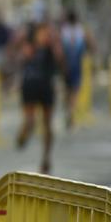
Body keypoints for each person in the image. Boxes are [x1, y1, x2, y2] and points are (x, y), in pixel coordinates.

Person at [14, 19, 64, 174]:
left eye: (47, 33)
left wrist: (54, 42)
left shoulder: (51, 47)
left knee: (47, 124)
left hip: (46, 87)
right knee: (30, 121)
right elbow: (17, 52)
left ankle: (46, 158)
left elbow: (60, 60)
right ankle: (24, 133)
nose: (44, 36)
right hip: (30, 85)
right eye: (42, 32)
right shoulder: (28, 45)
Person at [60, 10, 95, 129]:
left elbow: (59, 49)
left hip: (65, 66)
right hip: (76, 66)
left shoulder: (63, 31)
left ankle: (68, 109)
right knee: (75, 91)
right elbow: (91, 45)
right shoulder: (81, 31)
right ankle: (71, 111)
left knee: (67, 90)